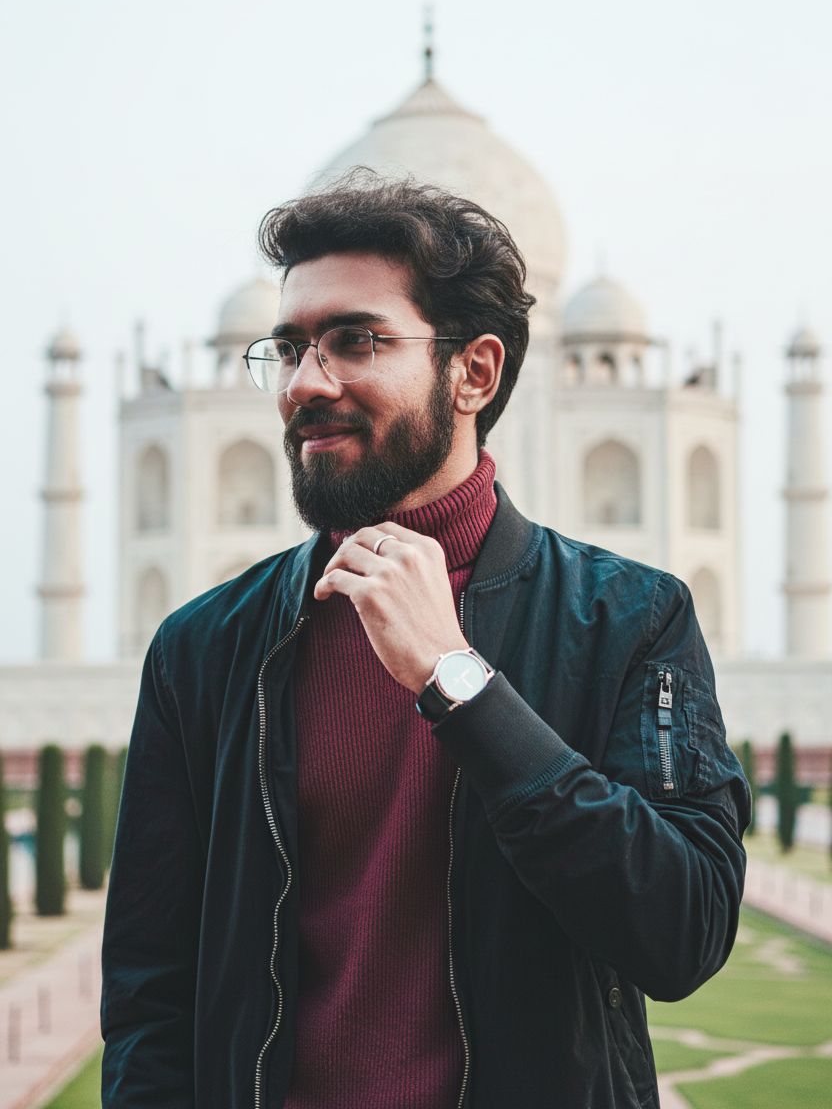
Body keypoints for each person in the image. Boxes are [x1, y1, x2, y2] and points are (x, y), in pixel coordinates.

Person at [101, 175, 750, 1109]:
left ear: (473, 372)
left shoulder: (627, 620)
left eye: (355, 340)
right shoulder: (205, 651)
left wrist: (459, 683)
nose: (306, 383)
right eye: (289, 348)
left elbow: (681, 930)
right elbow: (150, 996)